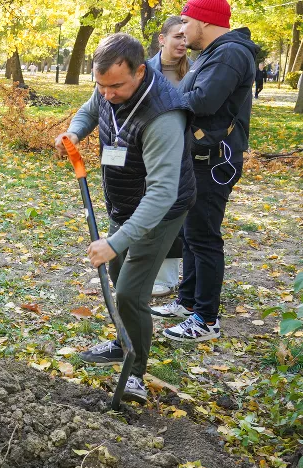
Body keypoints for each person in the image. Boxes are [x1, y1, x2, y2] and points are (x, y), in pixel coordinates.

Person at [55, 34, 196, 403]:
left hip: (160, 211)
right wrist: (74, 131)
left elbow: (162, 193)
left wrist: (115, 242)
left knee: (131, 293)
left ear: (140, 70)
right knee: (119, 276)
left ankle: (134, 371)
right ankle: (124, 341)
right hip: (125, 201)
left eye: (115, 86)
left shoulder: (163, 114)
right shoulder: (108, 88)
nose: (107, 94)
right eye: (100, 85)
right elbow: (91, 110)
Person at [152, 0, 259, 342]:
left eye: (185, 20)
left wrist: (171, 95)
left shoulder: (229, 54)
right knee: (192, 235)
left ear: (204, 19)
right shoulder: (216, 53)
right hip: (200, 156)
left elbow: (201, 101)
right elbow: (190, 94)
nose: (181, 30)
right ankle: (188, 303)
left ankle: (206, 319)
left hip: (214, 161)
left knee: (204, 238)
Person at [147, 15, 192, 297]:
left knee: (177, 215)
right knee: (150, 211)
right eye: (177, 36)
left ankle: (169, 278)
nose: (183, 42)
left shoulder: (195, 72)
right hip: (150, 153)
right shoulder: (145, 71)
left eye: (186, 37)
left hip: (185, 154)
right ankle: (151, 272)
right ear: (162, 39)